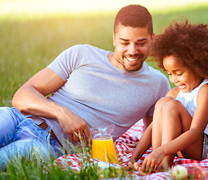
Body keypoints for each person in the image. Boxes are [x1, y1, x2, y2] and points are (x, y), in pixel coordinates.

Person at [0, 4, 170, 168]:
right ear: (113, 38)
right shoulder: (81, 54)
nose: (132, 51)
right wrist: (62, 114)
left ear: (152, 39)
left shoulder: (158, 84)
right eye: (124, 42)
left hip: (47, 145)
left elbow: (158, 132)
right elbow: (21, 96)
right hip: (15, 118)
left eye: (140, 43)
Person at [127, 20, 208, 174]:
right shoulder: (175, 93)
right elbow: (154, 126)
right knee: (163, 102)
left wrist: (162, 150)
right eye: (169, 73)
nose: (174, 79)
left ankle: (164, 165)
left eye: (179, 73)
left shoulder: (206, 90)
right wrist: (134, 158)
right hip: (183, 146)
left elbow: (195, 131)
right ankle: (156, 162)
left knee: (171, 106)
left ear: (197, 67)